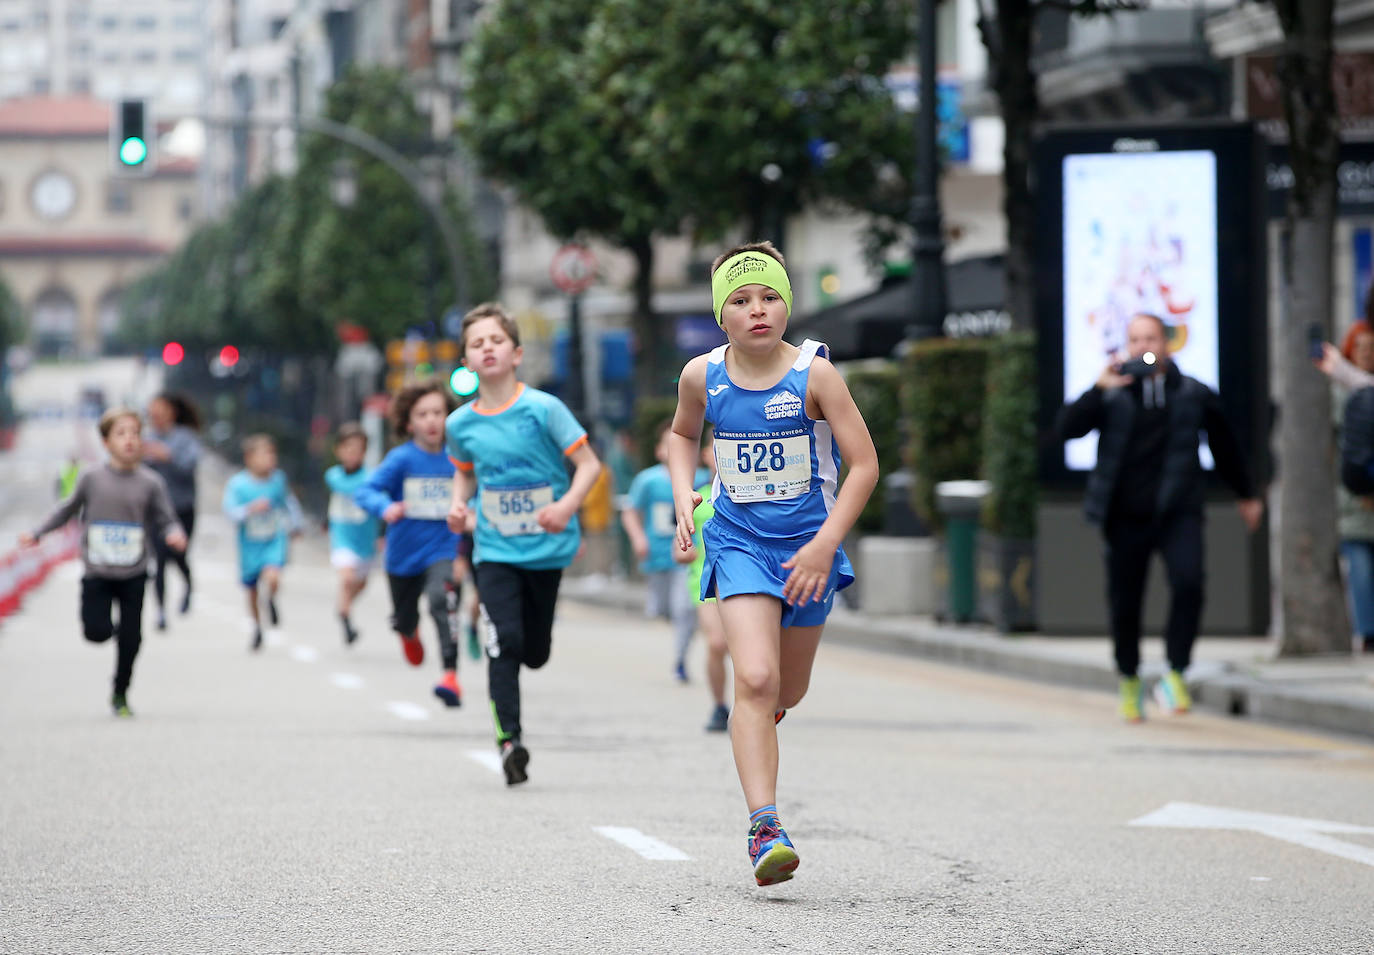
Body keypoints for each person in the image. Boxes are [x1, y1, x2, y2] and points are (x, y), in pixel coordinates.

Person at [667, 242, 879, 887]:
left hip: (809, 550)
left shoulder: (815, 376)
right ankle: (765, 827)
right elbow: (682, 435)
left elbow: (865, 466)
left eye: (769, 297)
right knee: (754, 679)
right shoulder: (702, 377)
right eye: (740, 300)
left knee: (787, 690)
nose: (757, 310)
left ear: (786, 304)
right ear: (720, 315)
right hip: (737, 542)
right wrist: (684, 494)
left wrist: (824, 544)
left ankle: (761, 718)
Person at [1057, 312, 1263, 722]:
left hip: (1178, 510)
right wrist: (1097, 390)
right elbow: (1066, 431)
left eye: (1150, 338)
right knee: (1125, 602)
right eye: (1135, 340)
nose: (1143, 348)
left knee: (1189, 584)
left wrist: (1246, 493)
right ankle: (1130, 677)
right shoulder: (1113, 394)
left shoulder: (1193, 392)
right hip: (1124, 515)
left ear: (1167, 343)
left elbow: (1225, 445)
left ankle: (1175, 672)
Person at [445, 302, 602, 786]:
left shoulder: (544, 409)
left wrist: (565, 507)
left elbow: (590, 466)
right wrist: (457, 505)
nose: (487, 349)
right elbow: (465, 475)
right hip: (493, 548)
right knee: (503, 640)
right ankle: (509, 741)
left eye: (495, 341)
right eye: (477, 343)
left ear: (516, 353)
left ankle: (517, 694)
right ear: (467, 361)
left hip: (547, 547)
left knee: (534, 651)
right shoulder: (460, 425)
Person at [19, 408, 186, 716]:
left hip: (134, 571)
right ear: (106, 441)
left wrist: (175, 533)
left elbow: (166, 519)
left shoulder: (151, 483)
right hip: (97, 570)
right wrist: (38, 532)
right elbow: (65, 510)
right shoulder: (91, 478)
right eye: (121, 434)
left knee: (132, 639)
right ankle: (109, 633)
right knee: (96, 632)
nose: (130, 440)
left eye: (135, 433)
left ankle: (120, 692)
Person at [355, 379, 464, 706]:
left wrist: (467, 513)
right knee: (405, 619)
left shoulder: (458, 459)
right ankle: (407, 632)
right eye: (423, 414)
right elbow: (365, 491)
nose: (431, 421)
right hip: (402, 556)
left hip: (442, 549)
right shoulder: (401, 459)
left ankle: (450, 675)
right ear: (408, 422)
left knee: (442, 600)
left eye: (438, 413)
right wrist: (386, 507)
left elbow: (474, 492)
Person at [622, 419, 707, 682]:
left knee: (684, 609)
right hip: (657, 556)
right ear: (659, 450)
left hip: (688, 557)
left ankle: (680, 658)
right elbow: (630, 510)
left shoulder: (701, 478)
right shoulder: (647, 481)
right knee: (662, 610)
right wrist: (638, 539)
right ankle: (679, 636)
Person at [1317, 318, 1374, 652]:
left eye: (1372, 349)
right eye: (1361, 349)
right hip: (1353, 499)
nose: (1366, 354)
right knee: (1361, 571)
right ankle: (1368, 634)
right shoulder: (1342, 396)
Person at [672, 426, 731, 732]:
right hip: (705, 582)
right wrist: (686, 550)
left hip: (746, 578)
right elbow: (678, 547)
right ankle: (720, 706)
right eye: (716, 450)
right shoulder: (697, 497)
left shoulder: (750, 497)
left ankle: (755, 704)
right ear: (707, 455)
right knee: (718, 644)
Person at [222, 434, 303, 652]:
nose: (270, 459)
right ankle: (257, 626)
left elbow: (289, 503)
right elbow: (230, 511)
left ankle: (272, 599)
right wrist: (250, 509)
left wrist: (296, 525)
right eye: (264, 454)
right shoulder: (238, 484)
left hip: (274, 538)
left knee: (273, 575)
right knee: (252, 590)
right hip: (250, 543)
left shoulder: (278, 480)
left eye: (272, 453)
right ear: (249, 458)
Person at [143, 391, 202, 630]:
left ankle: (188, 587)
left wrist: (168, 456)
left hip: (183, 508)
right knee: (159, 559)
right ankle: (160, 611)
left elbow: (190, 467)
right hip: (156, 512)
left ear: (171, 412)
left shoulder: (186, 438)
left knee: (179, 555)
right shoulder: (146, 438)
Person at [324, 422, 380, 646]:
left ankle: (343, 606)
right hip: (342, 535)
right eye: (347, 448)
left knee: (362, 583)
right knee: (347, 577)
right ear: (338, 450)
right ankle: (346, 619)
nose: (351, 453)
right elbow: (333, 499)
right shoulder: (333, 476)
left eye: (357, 449)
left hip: (365, 539)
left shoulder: (372, 478)